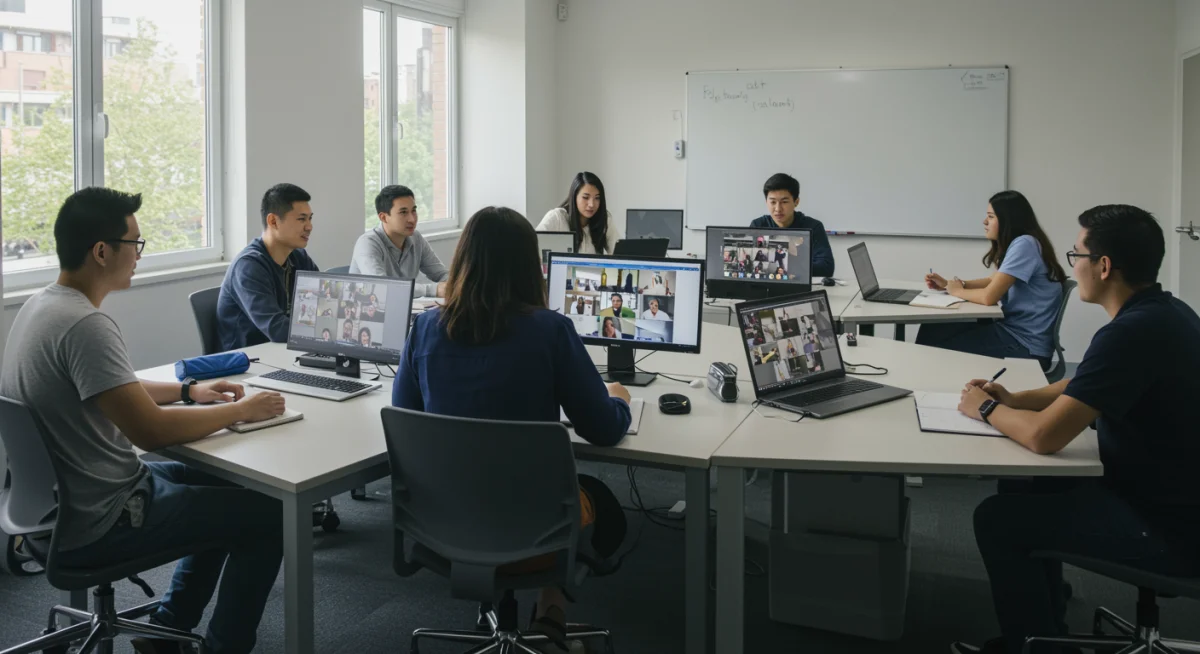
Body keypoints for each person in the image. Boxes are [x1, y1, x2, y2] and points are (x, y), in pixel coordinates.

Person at [0, 188, 287, 654]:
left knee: (232, 487)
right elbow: (149, 432)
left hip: (59, 503)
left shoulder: (43, 306)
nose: (138, 254)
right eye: (134, 243)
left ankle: (169, 630)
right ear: (101, 251)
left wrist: (190, 391)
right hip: (105, 515)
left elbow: (116, 386)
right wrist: (240, 410)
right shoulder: (85, 325)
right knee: (271, 515)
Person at [949, 205, 1200, 654]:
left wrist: (984, 407)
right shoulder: (1165, 311)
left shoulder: (1130, 333)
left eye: (1075, 254)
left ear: (1103, 267)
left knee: (996, 519)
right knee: (1023, 483)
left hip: (1167, 528)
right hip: (1172, 495)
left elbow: (1045, 437)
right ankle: (1048, 631)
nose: (1072, 264)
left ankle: (1035, 648)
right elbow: (1085, 383)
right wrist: (1015, 398)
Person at [394, 206, 631, 650]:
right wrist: (618, 401)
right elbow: (601, 429)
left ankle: (523, 605)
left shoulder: (425, 328)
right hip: (535, 527)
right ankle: (551, 608)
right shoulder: (551, 331)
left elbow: (406, 417)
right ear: (530, 264)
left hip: (443, 521)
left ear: (463, 258)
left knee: (498, 483)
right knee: (603, 505)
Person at [919, 191, 1065, 364]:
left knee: (933, 347)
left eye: (991, 216)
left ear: (1008, 220)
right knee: (933, 328)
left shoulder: (1025, 244)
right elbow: (992, 281)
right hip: (1014, 333)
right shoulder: (1024, 243)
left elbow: (989, 297)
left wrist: (957, 291)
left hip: (1025, 346)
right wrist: (953, 285)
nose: (985, 222)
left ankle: (920, 380)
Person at [217, 183, 319, 351]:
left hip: (284, 352)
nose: (309, 226)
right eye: (301, 219)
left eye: (310, 218)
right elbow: (276, 329)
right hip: (248, 362)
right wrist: (327, 330)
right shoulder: (249, 266)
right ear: (273, 221)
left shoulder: (298, 257)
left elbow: (322, 305)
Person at [350, 185, 449, 298]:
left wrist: (454, 284)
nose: (412, 219)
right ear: (383, 217)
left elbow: (441, 274)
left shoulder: (416, 238)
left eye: (414, 210)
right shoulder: (367, 243)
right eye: (403, 212)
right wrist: (433, 289)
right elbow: (382, 287)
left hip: (407, 309)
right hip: (371, 311)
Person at [751, 173, 834, 276]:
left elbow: (826, 267)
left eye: (784, 202)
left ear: (796, 202)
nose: (778, 209)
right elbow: (754, 265)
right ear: (766, 201)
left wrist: (781, 265)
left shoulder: (813, 227)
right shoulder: (759, 226)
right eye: (773, 202)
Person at [537, 172, 622, 255]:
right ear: (574, 196)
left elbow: (620, 253)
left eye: (597, 198)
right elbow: (532, 246)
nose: (591, 204)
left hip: (595, 269)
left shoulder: (604, 219)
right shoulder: (557, 217)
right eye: (585, 197)